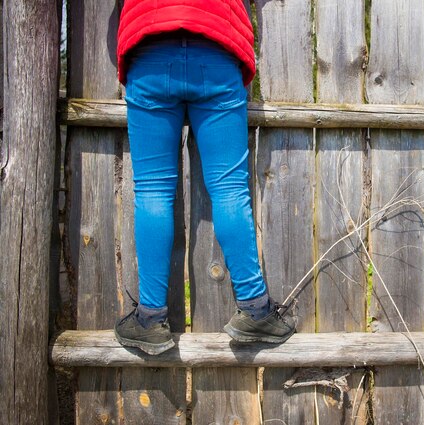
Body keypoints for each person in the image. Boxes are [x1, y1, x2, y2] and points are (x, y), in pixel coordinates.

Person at [113, 0, 295, 355]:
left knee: (152, 189)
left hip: (150, 47)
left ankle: (150, 320)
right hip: (216, 46)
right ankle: (256, 310)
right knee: (229, 188)